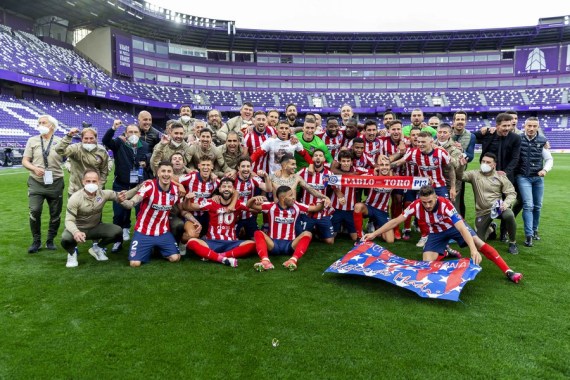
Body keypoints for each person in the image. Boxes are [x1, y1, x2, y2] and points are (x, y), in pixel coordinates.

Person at [362, 185, 523, 284]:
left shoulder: (445, 204)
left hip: (454, 228)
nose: (427, 205)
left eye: (430, 201)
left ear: (435, 197)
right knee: (426, 264)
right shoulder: (416, 205)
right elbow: (395, 221)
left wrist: (473, 249)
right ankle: (445, 252)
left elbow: (462, 228)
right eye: (424, 202)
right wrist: (374, 234)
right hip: (436, 233)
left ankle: (508, 272)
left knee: (479, 244)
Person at [184, 178, 260, 267]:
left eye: (229, 187)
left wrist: (256, 200)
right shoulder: (211, 202)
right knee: (191, 242)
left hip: (231, 242)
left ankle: (219, 256)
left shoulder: (238, 203)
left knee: (253, 244)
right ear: (219, 189)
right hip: (212, 241)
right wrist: (187, 199)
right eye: (224, 186)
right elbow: (189, 207)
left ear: (233, 190)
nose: (226, 189)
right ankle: (223, 259)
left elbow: (256, 210)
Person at [119, 161, 183, 267]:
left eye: (169, 171)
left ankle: (156, 248)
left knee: (175, 258)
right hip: (143, 232)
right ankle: (149, 248)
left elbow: (182, 208)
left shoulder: (176, 190)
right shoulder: (149, 186)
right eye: (163, 171)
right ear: (158, 173)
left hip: (163, 232)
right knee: (134, 264)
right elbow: (132, 202)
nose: (166, 174)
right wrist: (123, 201)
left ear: (172, 174)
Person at [251, 185, 325, 271]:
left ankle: (292, 260)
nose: (293, 197)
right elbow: (251, 205)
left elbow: (316, 208)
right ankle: (265, 261)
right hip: (273, 245)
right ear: (282, 198)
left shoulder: (297, 206)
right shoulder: (271, 206)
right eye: (290, 195)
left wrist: (323, 202)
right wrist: (253, 199)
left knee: (308, 233)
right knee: (257, 233)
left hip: (290, 245)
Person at [62, 170, 125, 267]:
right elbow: (69, 220)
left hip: (94, 228)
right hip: (79, 229)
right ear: (83, 181)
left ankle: (98, 248)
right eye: (88, 181)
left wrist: (138, 188)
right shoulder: (75, 198)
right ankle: (72, 253)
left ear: (99, 182)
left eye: (94, 181)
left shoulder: (104, 194)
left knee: (118, 231)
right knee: (65, 238)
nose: (91, 183)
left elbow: (120, 196)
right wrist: (76, 232)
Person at [102, 121, 149, 250]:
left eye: (135, 132)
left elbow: (149, 159)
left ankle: (141, 239)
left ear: (140, 134)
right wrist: (113, 128)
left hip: (138, 186)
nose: (133, 134)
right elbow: (106, 141)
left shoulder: (145, 145)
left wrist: (146, 162)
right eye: (130, 132)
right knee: (118, 214)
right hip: (121, 184)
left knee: (140, 212)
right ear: (125, 134)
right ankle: (118, 240)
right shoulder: (119, 143)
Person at [22, 115, 65, 253]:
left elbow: (70, 158)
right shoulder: (32, 140)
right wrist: (34, 168)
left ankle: (50, 240)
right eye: (39, 123)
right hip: (36, 182)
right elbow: (25, 161)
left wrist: (69, 165)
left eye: (43, 122)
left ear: (51, 126)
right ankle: (36, 241)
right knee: (34, 210)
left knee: (55, 213)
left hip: (56, 181)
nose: (40, 125)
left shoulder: (60, 141)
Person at [462, 153, 519, 254]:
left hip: (497, 208)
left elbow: (511, 193)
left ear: (494, 165)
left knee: (509, 214)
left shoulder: (500, 176)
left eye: (488, 162)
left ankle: (512, 242)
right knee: (479, 244)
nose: (485, 164)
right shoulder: (474, 174)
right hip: (482, 212)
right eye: (483, 161)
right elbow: (460, 176)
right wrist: (461, 166)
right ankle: (491, 229)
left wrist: (506, 203)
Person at [515, 117, 554, 247]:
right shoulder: (518, 139)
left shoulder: (542, 140)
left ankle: (535, 229)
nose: (531, 129)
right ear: (524, 126)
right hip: (523, 177)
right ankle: (529, 235)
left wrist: (545, 170)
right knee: (528, 205)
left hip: (538, 178)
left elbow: (549, 159)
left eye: (534, 126)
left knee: (537, 206)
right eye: (529, 126)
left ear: (538, 127)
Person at [296, 149, 340, 244]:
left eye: (320, 156)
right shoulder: (304, 171)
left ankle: (317, 232)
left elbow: (336, 188)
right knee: (301, 239)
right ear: (312, 159)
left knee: (330, 241)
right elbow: (292, 179)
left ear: (324, 159)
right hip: (306, 212)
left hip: (322, 212)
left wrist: (341, 197)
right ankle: (311, 230)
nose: (318, 157)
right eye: (316, 155)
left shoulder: (329, 174)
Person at [55, 127, 109, 196]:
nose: (89, 141)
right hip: (75, 190)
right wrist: (69, 135)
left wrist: (99, 187)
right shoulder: (75, 148)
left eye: (91, 138)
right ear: (81, 139)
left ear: (96, 138)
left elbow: (104, 172)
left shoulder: (102, 151)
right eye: (86, 138)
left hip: (95, 190)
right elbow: (59, 150)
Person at [353, 157, 395, 243]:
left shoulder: (395, 178)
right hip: (369, 207)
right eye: (381, 165)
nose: (384, 167)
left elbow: (412, 181)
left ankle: (375, 225)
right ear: (378, 167)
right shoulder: (371, 175)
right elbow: (356, 170)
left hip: (382, 211)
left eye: (386, 165)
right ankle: (359, 236)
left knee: (390, 240)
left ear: (390, 167)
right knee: (358, 206)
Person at [179, 156, 220, 237]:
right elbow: (173, 179)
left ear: (212, 167)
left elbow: (229, 188)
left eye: (208, 165)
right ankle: (182, 243)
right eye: (203, 165)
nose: (205, 167)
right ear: (199, 166)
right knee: (192, 235)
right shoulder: (191, 177)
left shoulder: (216, 182)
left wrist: (217, 195)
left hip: (206, 214)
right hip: (190, 213)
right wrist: (179, 185)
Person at [234, 157, 271, 239]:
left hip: (249, 217)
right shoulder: (232, 179)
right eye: (243, 166)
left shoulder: (254, 179)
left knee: (256, 241)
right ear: (238, 168)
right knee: (233, 241)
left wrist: (266, 176)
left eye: (248, 166)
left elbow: (268, 189)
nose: (246, 169)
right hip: (235, 218)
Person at [451, 110, 476, 217]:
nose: (460, 121)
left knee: (459, 200)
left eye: (462, 119)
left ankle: (462, 223)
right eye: (458, 119)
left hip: (460, 173)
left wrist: (462, 151)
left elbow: (470, 157)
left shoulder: (471, 136)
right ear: (453, 121)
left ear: (466, 122)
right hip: (444, 172)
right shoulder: (446, 132)